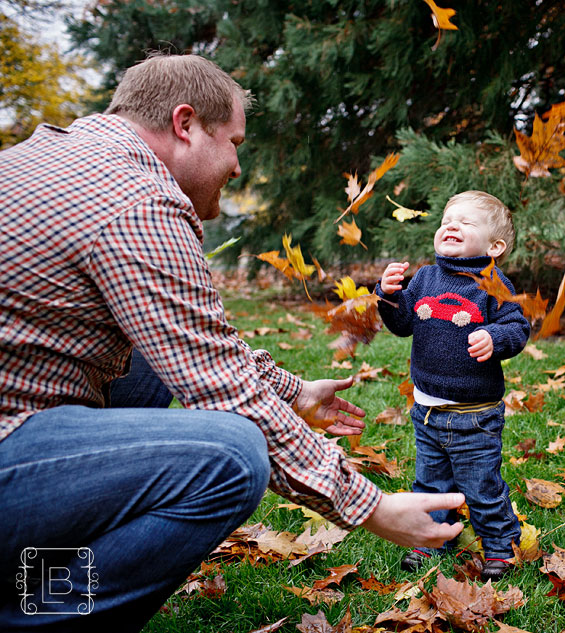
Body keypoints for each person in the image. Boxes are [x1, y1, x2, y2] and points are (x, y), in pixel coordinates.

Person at [0, 53, 464, 631]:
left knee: (146, 361)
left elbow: (191, 340)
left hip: (22, 418)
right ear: (185, 123)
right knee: (231, 454)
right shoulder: (136, 198)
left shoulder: (54, 156)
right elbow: (224, 391)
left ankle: (30, 576)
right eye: (235, 141)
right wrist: (369, 506)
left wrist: (292, 392)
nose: (239, 166)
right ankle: (33, 615)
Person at [375, 190, 530, 581]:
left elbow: (518, 327)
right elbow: (403, 324)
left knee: (481, 486)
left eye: (466, 222)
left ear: (494, 246)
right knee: (429, 482)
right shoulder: (426, 277)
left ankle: (500, 546)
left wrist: (495, 337)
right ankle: (431, 539)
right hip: (426, 411)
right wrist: (389, 297)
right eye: (447, 220)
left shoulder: (494, 284)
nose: (452, 226)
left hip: (474, 415)